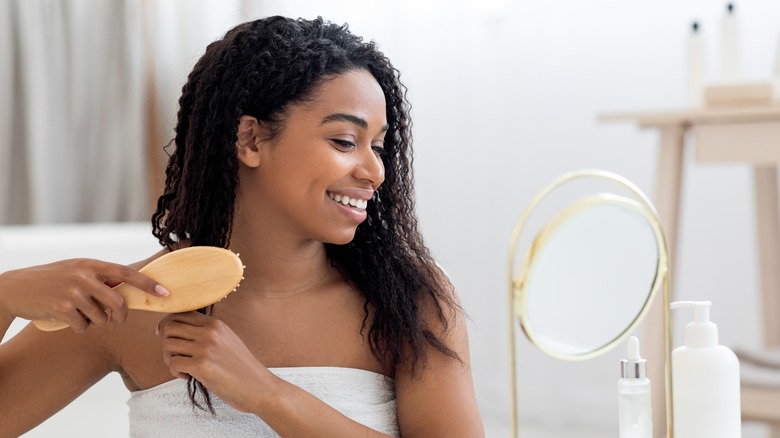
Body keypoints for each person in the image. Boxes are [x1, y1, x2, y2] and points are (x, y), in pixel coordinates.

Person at [0, 16, 484, 437]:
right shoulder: (131, 304)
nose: (375, 171)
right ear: (250, 139)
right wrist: (3, 296)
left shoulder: (408, 299)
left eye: (377, 147)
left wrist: (268, 394)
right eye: (344, 140)